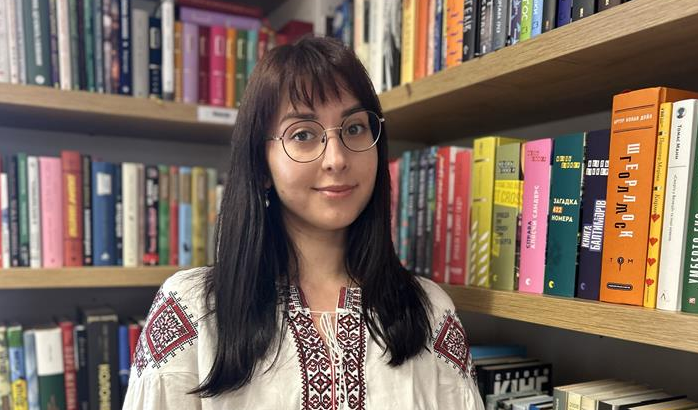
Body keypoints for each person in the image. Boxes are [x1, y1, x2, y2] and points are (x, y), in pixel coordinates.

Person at [123, 36, 484, 410]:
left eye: (355, 128)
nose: (337, 158)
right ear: (262, 166)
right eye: (303, 134)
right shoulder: (193, 309)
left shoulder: (430, 311)